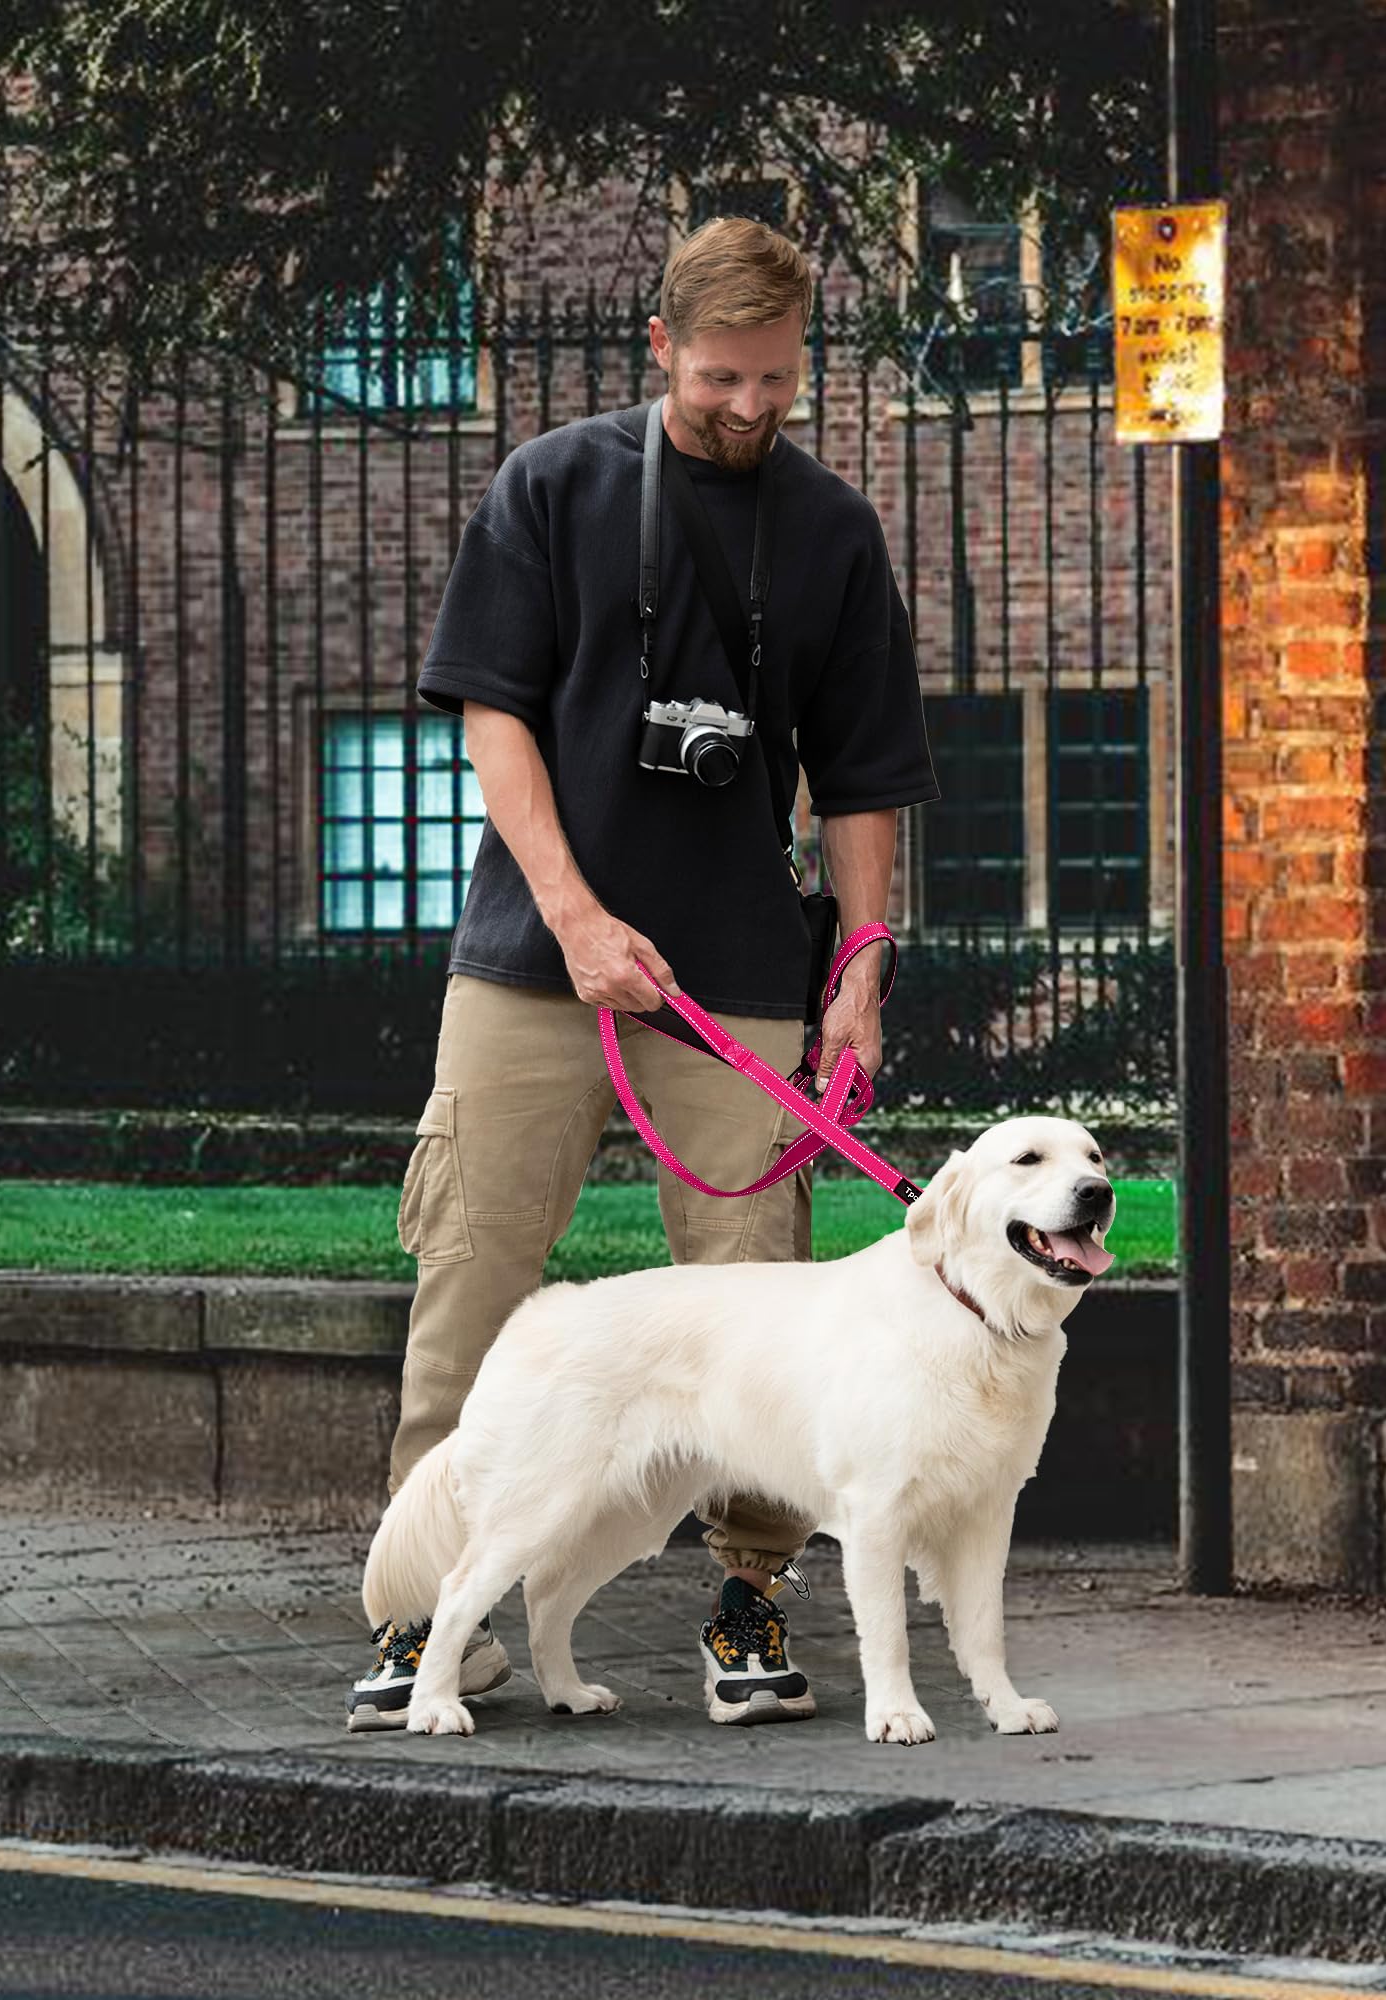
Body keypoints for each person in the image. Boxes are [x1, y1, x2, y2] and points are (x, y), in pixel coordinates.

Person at [348, 216, 938, 1731]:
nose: (752, 405)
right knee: (471, 1279)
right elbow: (493, 720)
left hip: (739, 970)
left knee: (760, 1313)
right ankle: (428, 1623)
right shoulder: (550, 488)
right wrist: (575, 917)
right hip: (533, 964)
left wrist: (858, 973)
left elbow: (866, 786)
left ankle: (749, 1606)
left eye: (779, 381)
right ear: (660, 346)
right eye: (724, 376)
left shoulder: (832, 534)